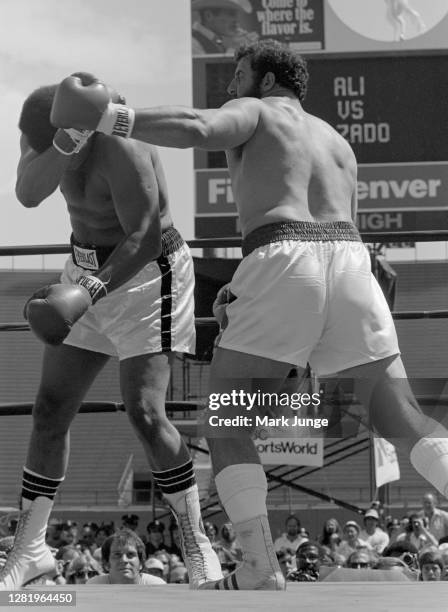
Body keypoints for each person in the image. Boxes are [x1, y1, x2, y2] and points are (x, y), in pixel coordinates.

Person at [49, 38, 448, 591]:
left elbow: (196, 127)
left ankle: (260, 566)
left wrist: (110, 117)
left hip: (284, 257)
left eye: (238, 76)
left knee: (227, 423)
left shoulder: (258, 110)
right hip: (354, 262)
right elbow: (331, 255)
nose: (231, 87)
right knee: (405, 421)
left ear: (265, 81)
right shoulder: (338, 143)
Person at [0, 75, 222, 590]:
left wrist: (88, 294)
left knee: (145, 412)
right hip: (84, 268)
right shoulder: (42, 127)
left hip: (147, 274)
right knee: (50, 408)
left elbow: (143, 237)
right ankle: (31, 549)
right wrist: (58, 147)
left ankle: (197, 541)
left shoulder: (121, 146)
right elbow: (28, 194)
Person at [86, 528, 165, 585]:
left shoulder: (157, 586)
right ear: (106, 564)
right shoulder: (94, 585)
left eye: (130, 554)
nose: (124, 560)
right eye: (117, 555)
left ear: (141, 563)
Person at [191, 0, 256, 56]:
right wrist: (235, 48)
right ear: (208, 16)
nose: (237, 20)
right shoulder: (193, 44)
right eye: (231, 14)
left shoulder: (216, 40)